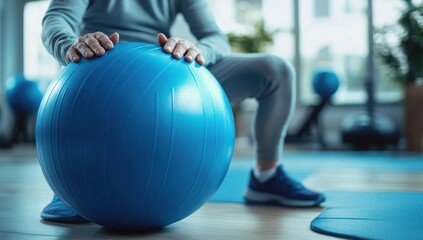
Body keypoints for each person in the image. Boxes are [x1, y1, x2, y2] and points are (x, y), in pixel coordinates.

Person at [41, 0, 325, 223]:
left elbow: (214, 37)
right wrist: (72, 46)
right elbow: (56, 19)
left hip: (168, 75)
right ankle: (69, 189)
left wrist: (195, 49)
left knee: (275, 71)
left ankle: (267, 177)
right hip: (102, 70)